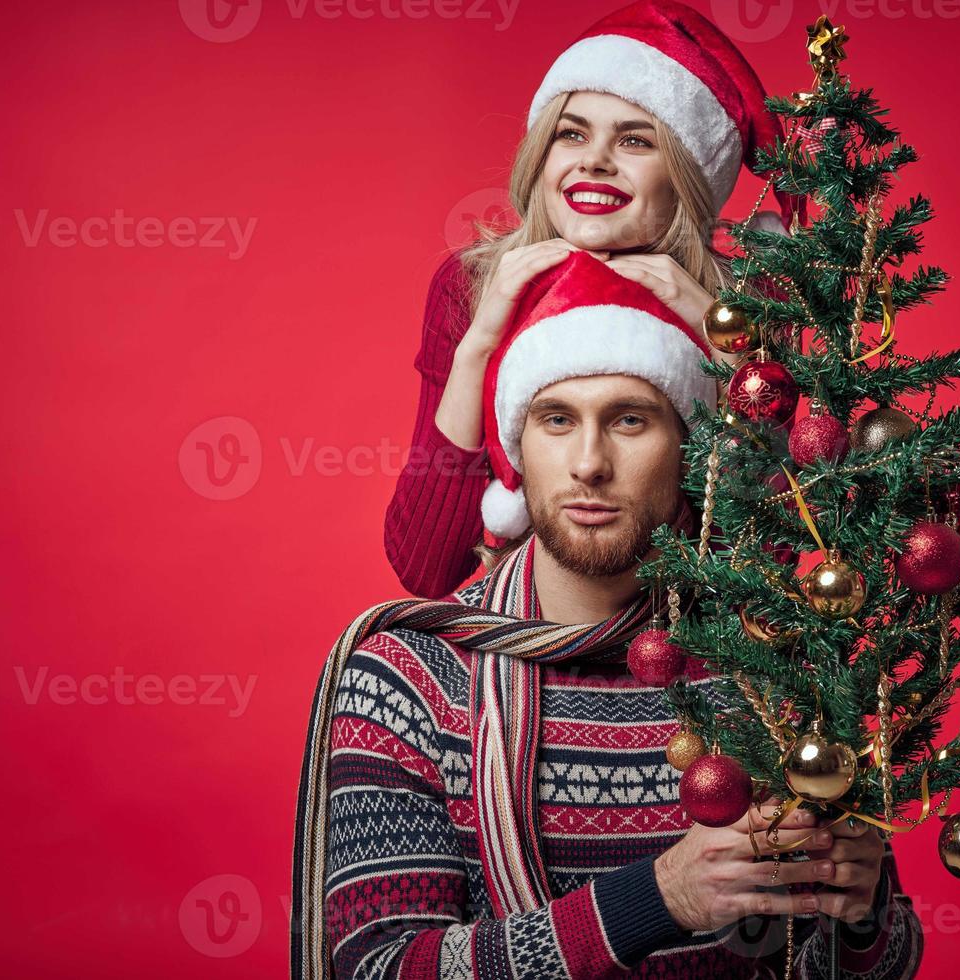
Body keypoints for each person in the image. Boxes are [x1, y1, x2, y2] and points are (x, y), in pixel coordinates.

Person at [293, 252, 922, 978]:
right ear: (517, 452)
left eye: (629, 420)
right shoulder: (409, 678)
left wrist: (865, 908)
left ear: (686, 449)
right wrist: (662, 898)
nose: (589, 463)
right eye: (557, 420)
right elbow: (379, 969)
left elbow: (881, 965)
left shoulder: (765, 661)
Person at [383, 0, 803, 598]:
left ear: (687, 176)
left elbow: (773, 557)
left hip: (688, 647)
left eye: (635, 141)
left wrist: (728, 349)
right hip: (527, 639)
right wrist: (477, 345)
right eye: (571, 133)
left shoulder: (753, 301)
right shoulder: (469, 286)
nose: (594, 161)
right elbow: (425, 569)